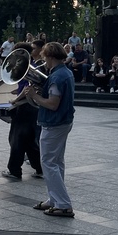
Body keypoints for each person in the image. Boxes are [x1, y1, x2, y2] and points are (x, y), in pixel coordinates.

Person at [22, 42, 75, 217]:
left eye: (44, 57)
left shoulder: (56, 77)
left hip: (54, 123)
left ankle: (63, 204)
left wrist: (34, 95)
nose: (43, 60)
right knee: (57, 162)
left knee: (48, 163)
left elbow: (52, 104)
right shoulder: (65, 72)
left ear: (50, 57)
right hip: (63, 121)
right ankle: (54, 199)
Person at [1, 43, 43, 180]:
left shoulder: (31, 68)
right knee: (29, 141)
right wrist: (17, 91)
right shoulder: (29, 66)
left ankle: (14, 171)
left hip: (26, 106)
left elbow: (28, 89)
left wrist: (15, 100)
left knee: (16, 138)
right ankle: (40, 168)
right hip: (31, 108)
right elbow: (24, 86)